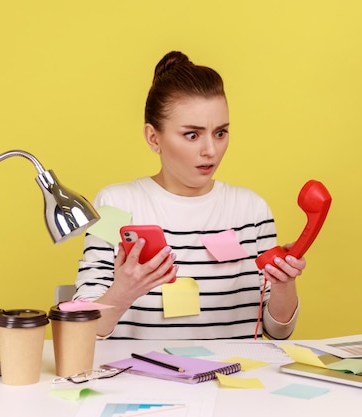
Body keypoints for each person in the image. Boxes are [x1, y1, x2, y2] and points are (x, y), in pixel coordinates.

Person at [73, 51, 306, 340]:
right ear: (153, 138)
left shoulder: (252, 209)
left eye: (220, 133)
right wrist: (124, 291)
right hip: (139, 381)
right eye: (192, 135)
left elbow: (279, 330)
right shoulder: (115, 205)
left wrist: (285, 283)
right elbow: (82, 329)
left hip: (234, 377)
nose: (210, 150)